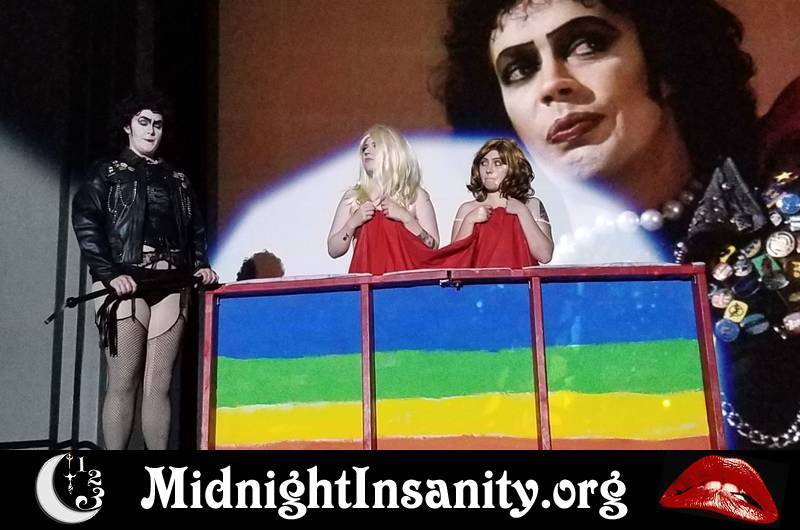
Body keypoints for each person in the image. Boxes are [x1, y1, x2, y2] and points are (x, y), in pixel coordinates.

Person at [437, 0, 800, 448]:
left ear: (665, 61)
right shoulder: (514, 316)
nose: (551, 84)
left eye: (586, 45)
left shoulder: (785, 215)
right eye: (519, 70)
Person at [71, 92, 218, 449]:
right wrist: (109, 274)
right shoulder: (106, 173)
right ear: (128, 126)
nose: (151, 131)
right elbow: (86, 223)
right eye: (144, 122)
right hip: (125, 281)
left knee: (159, 383)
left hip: (171, 281)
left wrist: (201, 265)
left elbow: (195, 229)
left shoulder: (178, 178)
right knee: (123, 381)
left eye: (158, 124)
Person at [327, 124, 440, 274]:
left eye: (375, 146)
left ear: (392, 152)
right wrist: (353, 223)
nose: (367, 151)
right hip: (367, 284)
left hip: (406, 283)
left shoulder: (415, 195)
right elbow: (333, 250)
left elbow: (433, 247)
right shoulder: (353, 198)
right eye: (364, 147)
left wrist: (406, 218)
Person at [452, 138, 553, 266]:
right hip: (479, 280)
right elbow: (455, 262)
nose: (488, 170)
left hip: (521, 279)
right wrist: (469, 221)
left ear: (514, 167)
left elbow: (545, 255)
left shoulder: (532, 205)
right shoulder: (467, 210)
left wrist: (523, 212)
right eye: (484, 163)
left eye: (498, 163)